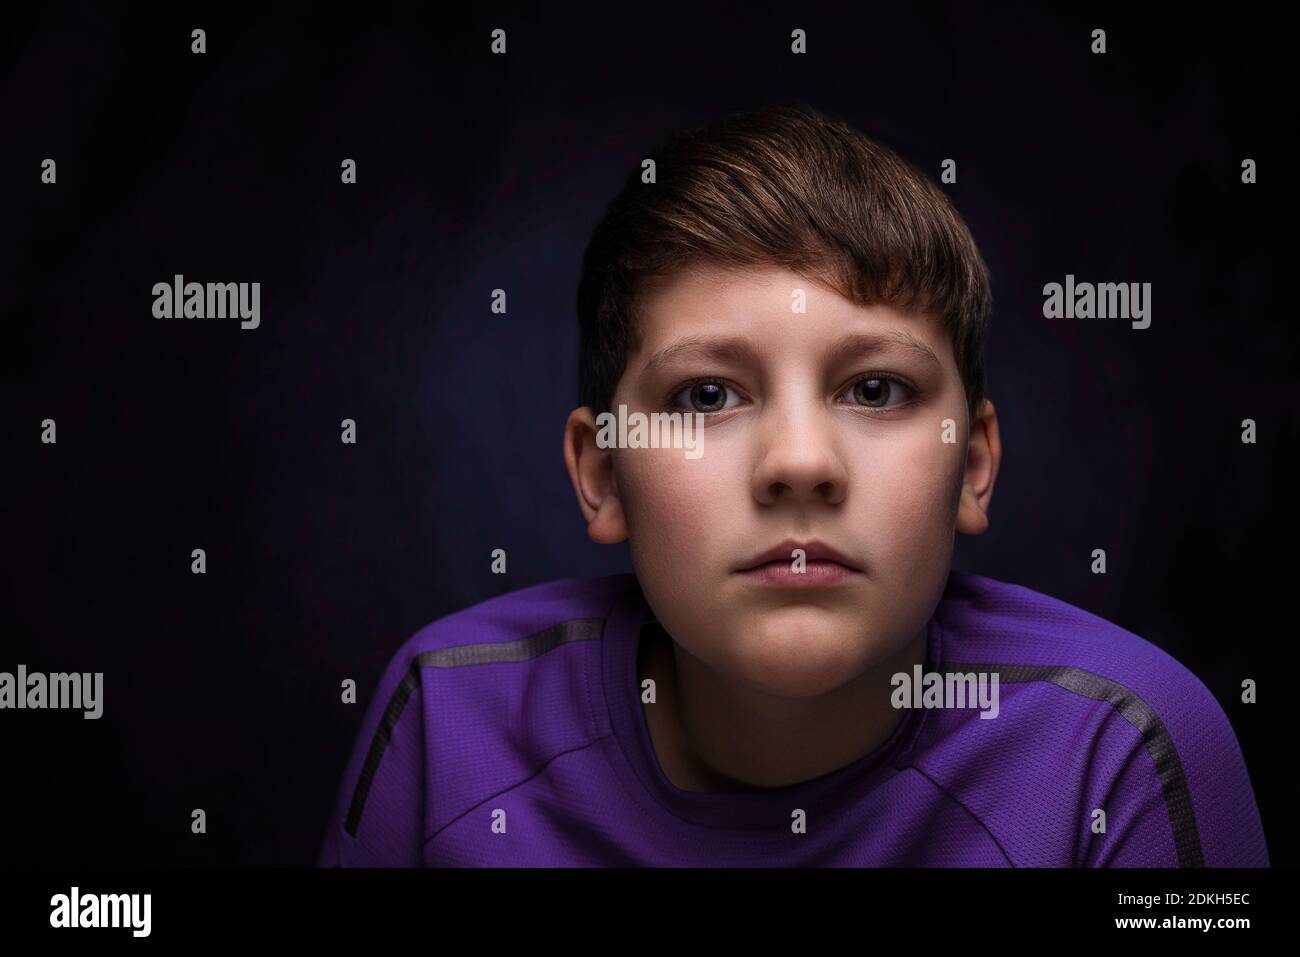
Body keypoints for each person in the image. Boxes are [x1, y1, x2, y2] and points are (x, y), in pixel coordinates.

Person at [318, 102, 1268, 866]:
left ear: (972, 466)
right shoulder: (449, 722)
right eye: (707, 394)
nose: (800, 463)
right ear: (603, 475)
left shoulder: (1119, 753)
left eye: (875, 388)